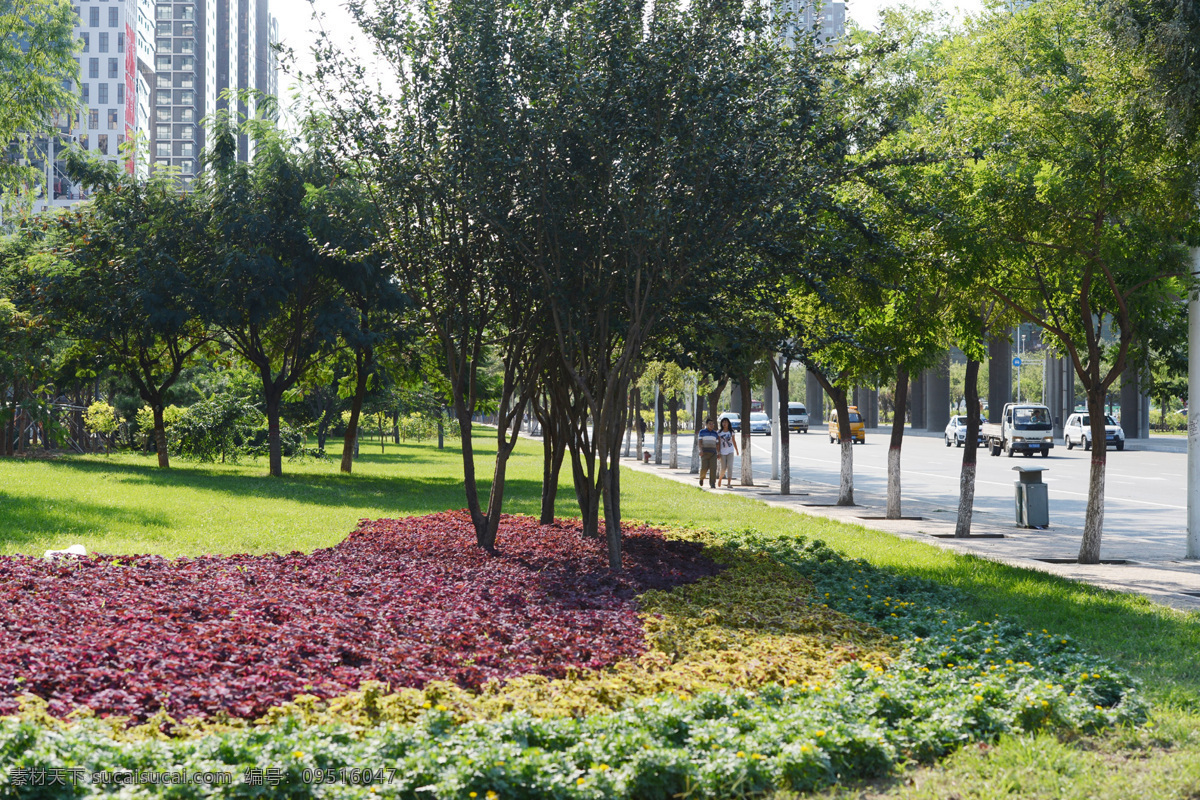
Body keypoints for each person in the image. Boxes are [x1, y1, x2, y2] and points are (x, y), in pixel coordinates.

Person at [697, 418, 720, 488]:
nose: (711, 425)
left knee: (713, 469)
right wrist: (700, 450)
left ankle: (712, 483)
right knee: (704, 468)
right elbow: (700, 442)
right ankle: (701, 478)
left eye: (712, 424)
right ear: (706, 424)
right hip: (704, 453)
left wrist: (718, 453)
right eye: (710, 424)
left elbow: (717, 444)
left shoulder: (715, 433)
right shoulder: (702, 432)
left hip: (713, 453)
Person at [717, 417, 739, 488]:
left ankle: (729, 483)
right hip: (722, 452)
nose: (724, 423)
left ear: (728, 423)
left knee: (730, 466)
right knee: (723, 468)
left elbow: (734, 441)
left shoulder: (731, 432)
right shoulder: (719, 432)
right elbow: (719, 443)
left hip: (730, 451)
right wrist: (718, 452)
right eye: (723, 422)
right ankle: (720, 479)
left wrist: (736, 450)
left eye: (726, 422)